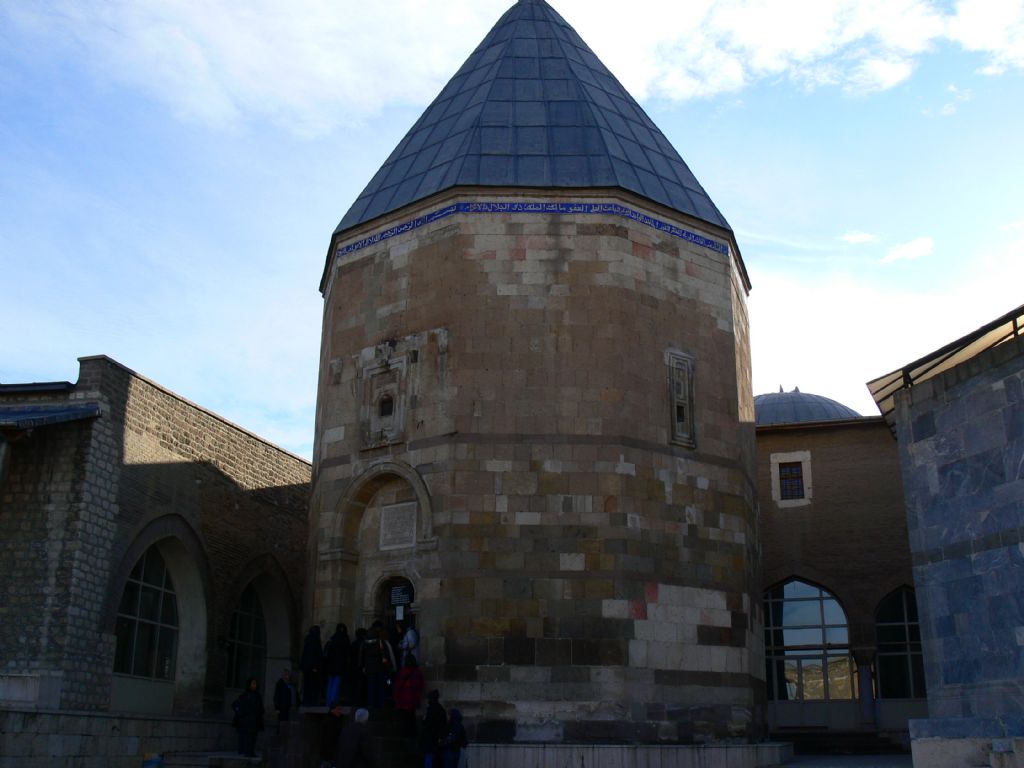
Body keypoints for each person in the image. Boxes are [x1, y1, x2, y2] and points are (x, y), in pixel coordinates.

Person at [360, 622, 396, 709]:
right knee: (380, 686)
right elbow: (385, 654)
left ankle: (371, 704)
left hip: (369, 667)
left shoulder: (364, 642)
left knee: (371, 686)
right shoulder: (380, 642)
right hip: (380, 667)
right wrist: (390, 666)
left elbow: (361, 655)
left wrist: (362, 666)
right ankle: (381, 703)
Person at [232, 677, 265, 758]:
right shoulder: (245, 695)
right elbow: (236, 705)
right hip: (247, 720)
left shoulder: (257, 695)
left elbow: (260, 708)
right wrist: (242, 715)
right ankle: (247, 752)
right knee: (248, 737)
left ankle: (251, 752)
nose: (255, 685)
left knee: (253, 737)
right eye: (253, 683)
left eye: (255, 683)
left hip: (255, 720)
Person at [393, 655, 424, 737]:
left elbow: (398, 686)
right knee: (411, 719)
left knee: (404, 720)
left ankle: (405, 735)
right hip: (413, 700)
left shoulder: (404, 671)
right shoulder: (418, 672)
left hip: (403, 701)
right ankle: (412, 736)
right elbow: (420, 685)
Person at [325, 623, 351, 707]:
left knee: (331, 683)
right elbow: (347, 654)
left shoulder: (332, 639)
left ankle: (329, 701)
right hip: (339, 666)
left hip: (330, 665)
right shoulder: (345, 639)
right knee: (336, 683)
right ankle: (333, 702)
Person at [420, 690, 446, 768]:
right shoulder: (441, 710)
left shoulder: (431, 709)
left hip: (430, 738)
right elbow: (443, 725)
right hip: (437, 739)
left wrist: (424, 720)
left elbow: (427, 722)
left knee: (429, 758)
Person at [301, 625, 324, 706]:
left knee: (307, 685)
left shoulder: (308, 640)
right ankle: (311, 701)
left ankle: (307, 700)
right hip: (312, 667)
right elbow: (314, 654)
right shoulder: (315, 640)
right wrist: (314, 666)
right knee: (312, 685)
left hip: (307, 666)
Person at [320, 701, 346, 768]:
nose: (340, 711)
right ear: (333, 709)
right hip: (330, 756)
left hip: (334, 755)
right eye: (339, 709)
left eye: (341, 709)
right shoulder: (329, 721)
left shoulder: (338, 720)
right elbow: (328, 740)